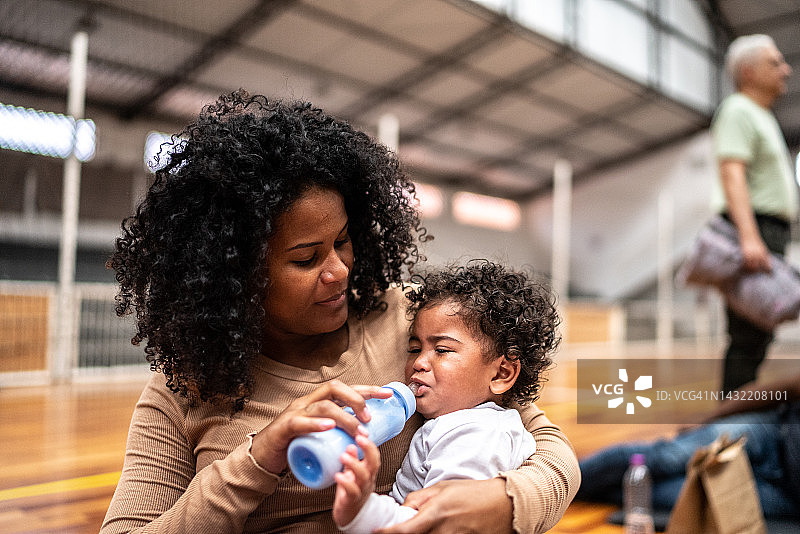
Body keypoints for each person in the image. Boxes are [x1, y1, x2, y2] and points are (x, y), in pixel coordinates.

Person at [100, 89, 580, 534]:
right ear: (235, 273)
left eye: (343, 241)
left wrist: (505, 501)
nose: (339, 270)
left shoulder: (415, 320)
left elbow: (549, 448)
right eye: (306, 259)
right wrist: (259, 458)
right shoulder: (186, 385)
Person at [332, 261, 559, 533]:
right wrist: (362, 511)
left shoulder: (473, 434)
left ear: (501, 374)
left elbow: (440, 523)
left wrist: (363, 511)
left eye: (442, 350)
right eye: (414, 349)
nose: (419, 363)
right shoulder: (461, 424)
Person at [576, 373, 800, 519]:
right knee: (663, 457)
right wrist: (707, 420)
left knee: (673, 495)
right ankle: (567, 478)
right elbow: (780, 388)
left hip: (786, 495)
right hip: (769, 434)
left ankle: (571, 491)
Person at [710, 34, 797, 394]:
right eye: (774, 62)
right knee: (747, 338)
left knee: (757, 337)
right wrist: (749, 237)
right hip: (755, 228)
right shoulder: (738, 110)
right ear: (748, 72)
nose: (785, 70)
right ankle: (729, 420)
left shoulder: (760, 115)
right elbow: (732, 174)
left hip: (768, 230)